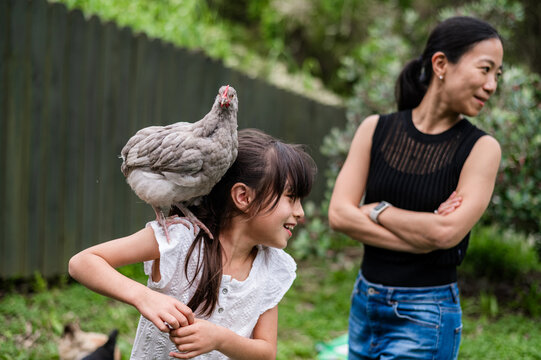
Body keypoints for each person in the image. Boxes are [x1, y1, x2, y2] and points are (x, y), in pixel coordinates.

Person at [328, 16, 503, 360]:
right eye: (485, 69)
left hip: (427, 315)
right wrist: (424, 240)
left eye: (498, 74)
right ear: (441, 64)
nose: (492, 84)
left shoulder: (482, 149)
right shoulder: (374, 129)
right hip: (365, 303)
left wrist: (378, 210)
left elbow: (445, 233)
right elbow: (338, 215)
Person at [69, 128, 316, 359]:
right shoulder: (180, 239)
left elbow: (266, 352)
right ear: (243, 197)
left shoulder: (273, 268)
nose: (300, 212)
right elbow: (83, 263)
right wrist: (143, 297)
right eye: (291, 198)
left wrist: (221, 339)